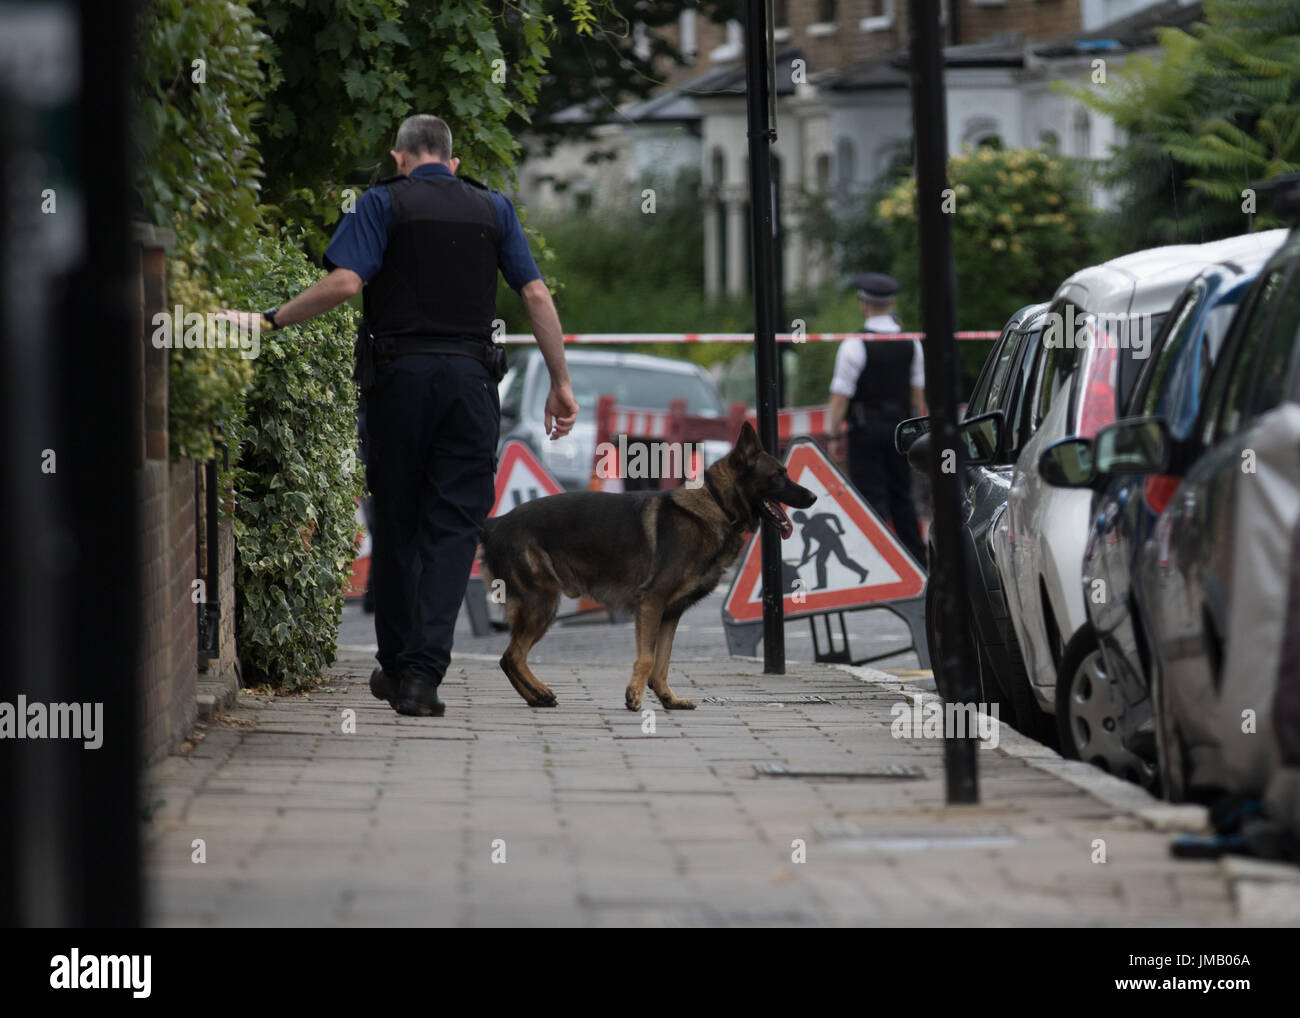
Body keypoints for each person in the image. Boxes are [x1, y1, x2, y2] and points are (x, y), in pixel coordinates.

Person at [218, 114, 578, 717]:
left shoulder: (380, 203)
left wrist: (270, 319)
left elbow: (345, 282)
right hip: (470, 385)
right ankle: (422, 677)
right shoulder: (495, 209)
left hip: (398, 382)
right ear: (453, 161)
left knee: (398, 523)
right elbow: (536, 294)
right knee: (453, 529)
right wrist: (561, 383)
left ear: (399, 157)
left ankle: (397, 663)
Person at [826, 272, 926, 563]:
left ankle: (874, 561)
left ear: (863, 304)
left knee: (870, 498)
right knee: (902, 496)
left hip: (865, 430)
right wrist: (918, 433)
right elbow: (917, 396)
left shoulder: (854, 345)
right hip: (902, 432)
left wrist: (833, 435)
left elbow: (840, 396)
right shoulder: (912, 343)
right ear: (891, 302)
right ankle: (915, 561)